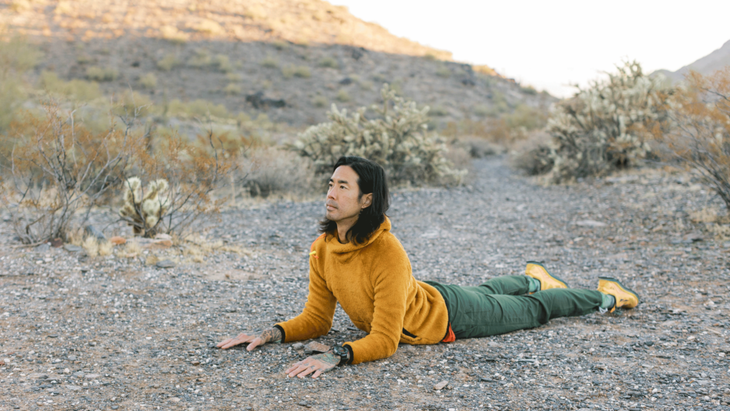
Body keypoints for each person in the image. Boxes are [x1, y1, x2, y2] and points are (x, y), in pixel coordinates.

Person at [217, 156, 640, 378]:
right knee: (489, 291)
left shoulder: (388, 253)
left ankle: (607, 296)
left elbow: (384, 340)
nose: (331, 193)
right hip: (425, 294)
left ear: (366, 200)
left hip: (450, 315)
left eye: (342, 186)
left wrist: (340, 357)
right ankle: (532, 278)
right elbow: (317, 318)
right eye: (330, 183)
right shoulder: (323, 249)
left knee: (534, 312)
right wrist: (272, 333)